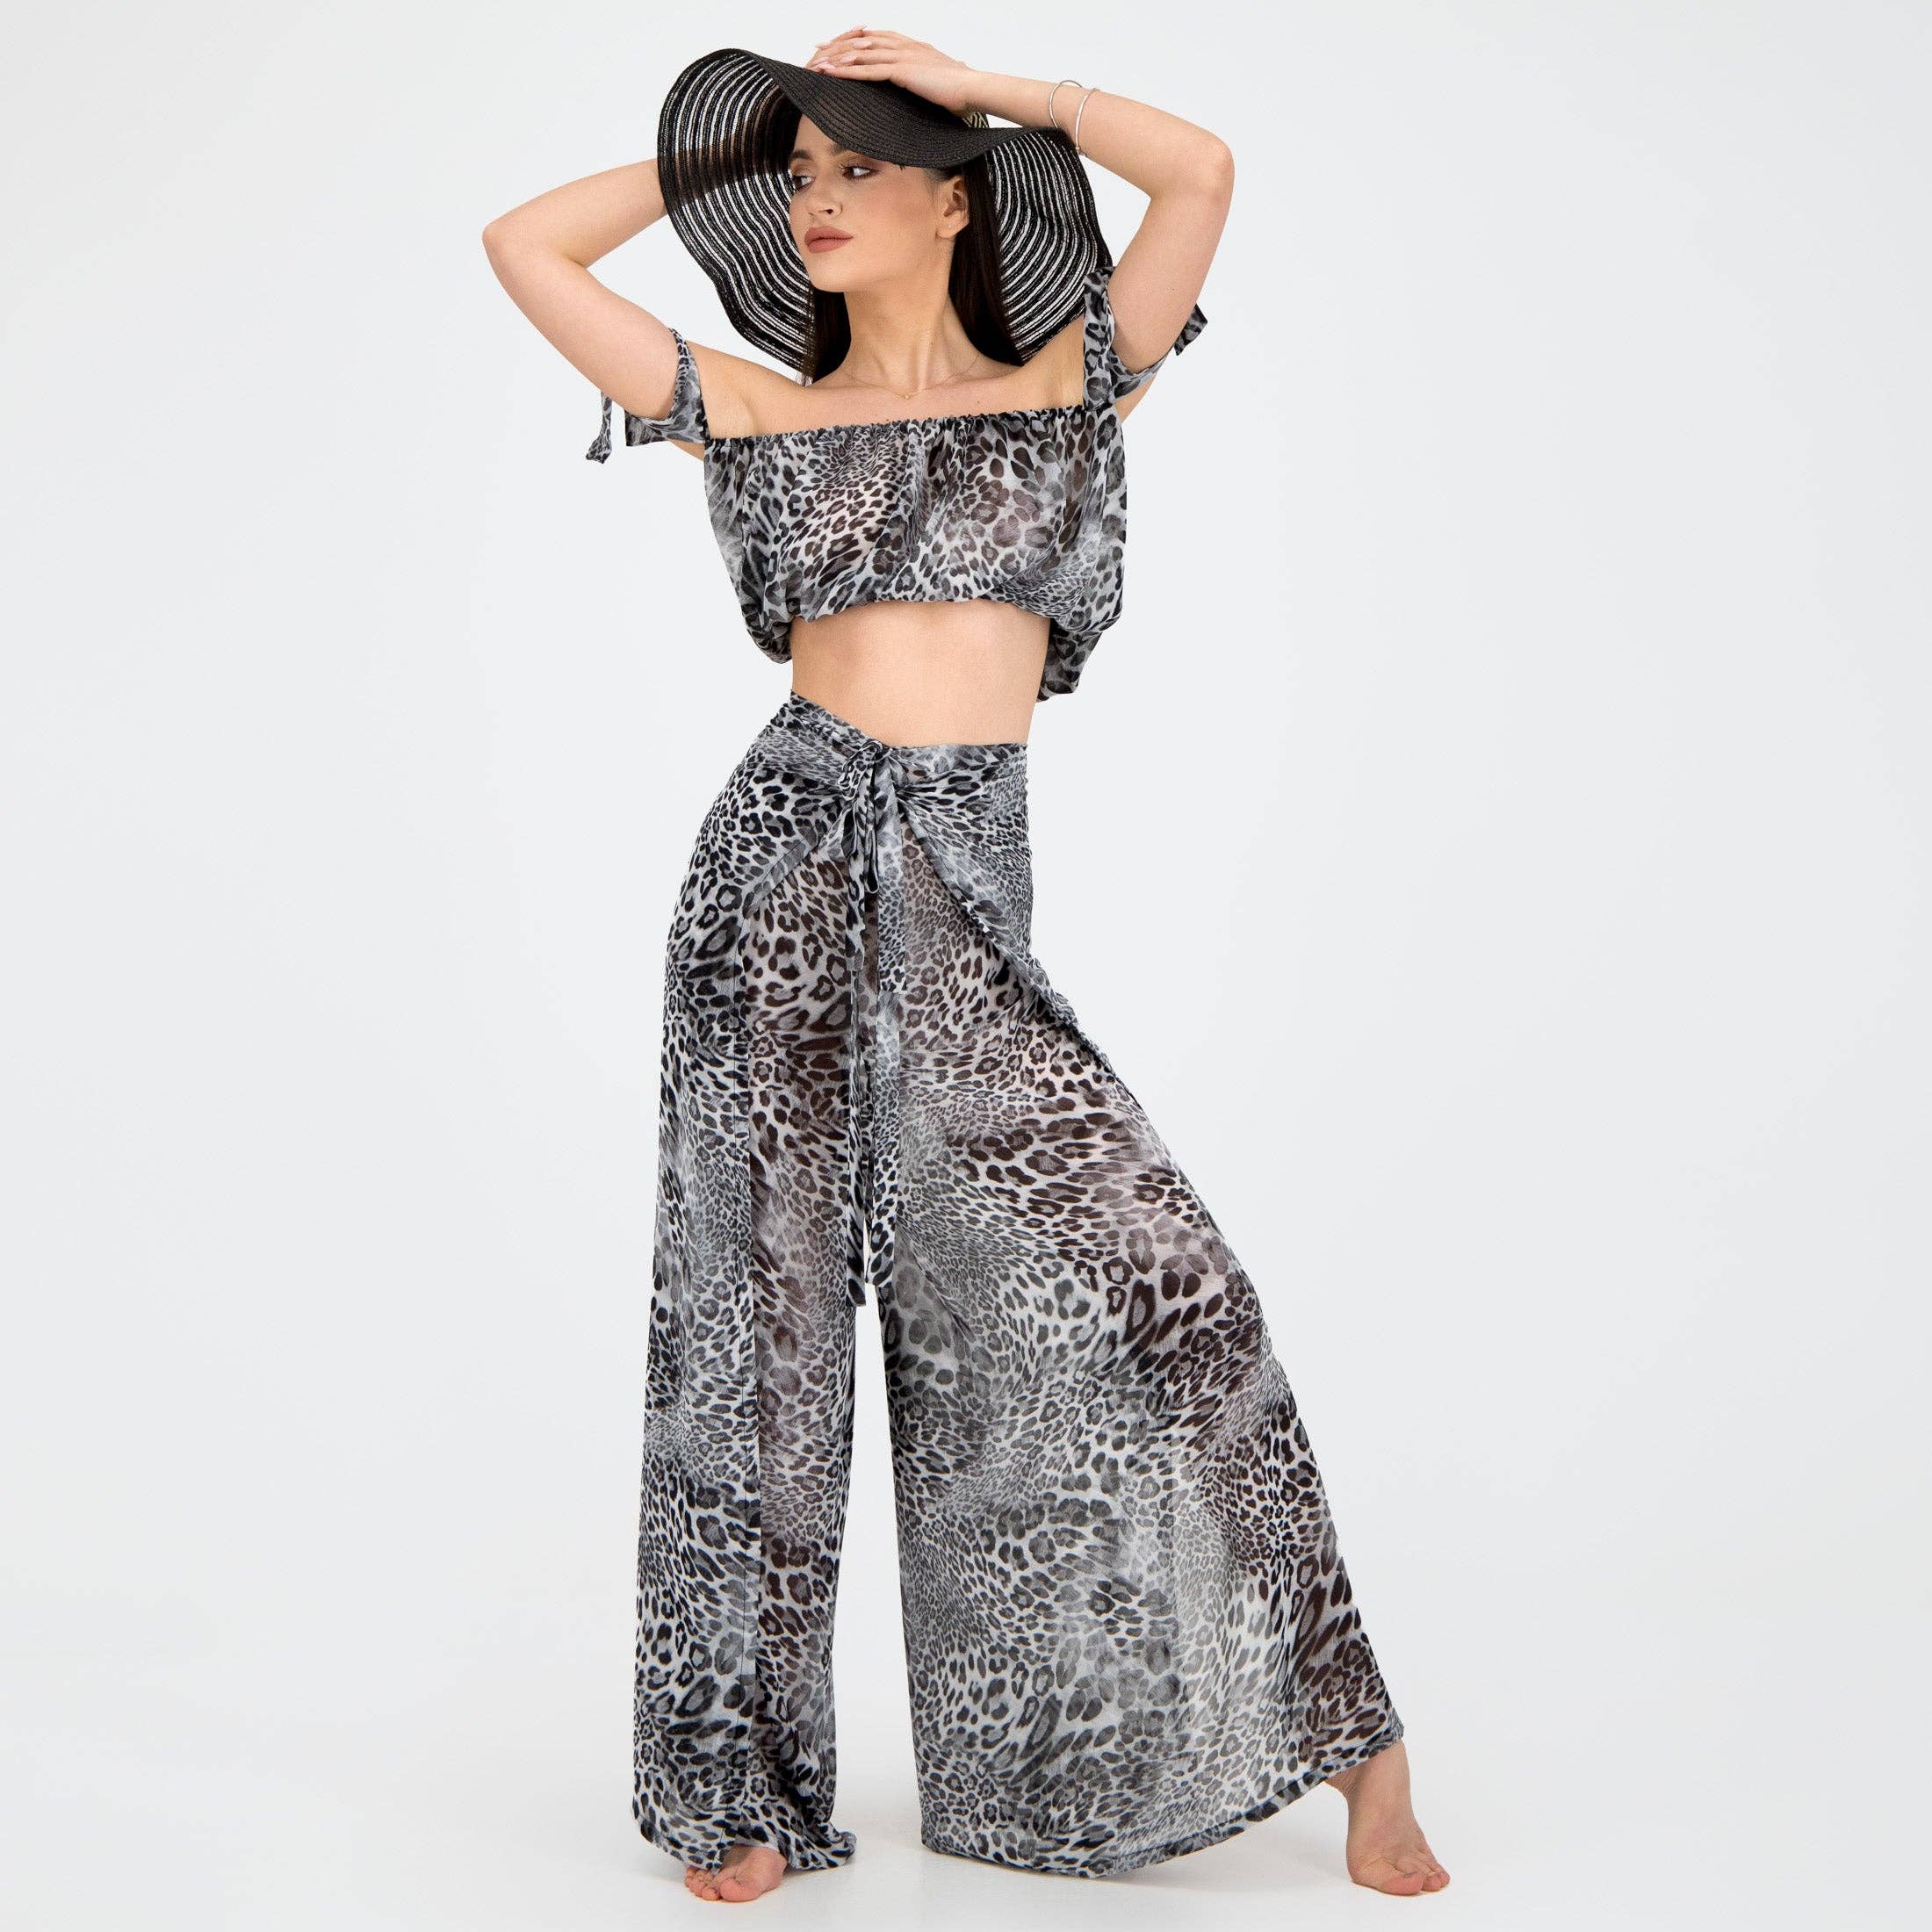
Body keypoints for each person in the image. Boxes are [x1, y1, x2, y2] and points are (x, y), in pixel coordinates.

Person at [483, 30, 1450, 1906]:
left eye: (859, 166)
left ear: (955, 199)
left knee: (1167, 1289)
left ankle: (1353, 1741)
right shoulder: (750, 406)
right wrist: (732, 151)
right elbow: (524, 245)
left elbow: (1199, 172)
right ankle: (736, 1785)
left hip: (960, 894)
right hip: (776, 870)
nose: (817, 198)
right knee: (753, 1338)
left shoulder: (1072, 384)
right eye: (800, 176)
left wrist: (994, 85)